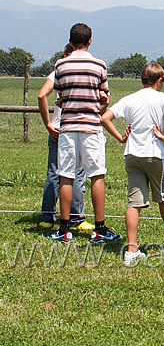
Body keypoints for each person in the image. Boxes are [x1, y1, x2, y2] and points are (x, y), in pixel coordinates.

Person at [101, 63, 164, 265]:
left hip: (132, 155)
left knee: (134, 202)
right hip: (155, 155)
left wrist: (121, 137)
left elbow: (105, 118)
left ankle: (131, 249)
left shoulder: (129, 99)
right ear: (159, 80)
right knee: (163, 196)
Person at [49, 23, 121, 243]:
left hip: (68, 127)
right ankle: (99, 228)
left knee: (66, 175)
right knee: (96, 174)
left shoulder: (60, 65)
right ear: (90, 40)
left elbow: (60, 98)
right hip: (91, 127)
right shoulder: (99, 65)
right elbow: (103, 99)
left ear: (70, 41)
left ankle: (64, 228)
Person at [37, 43, 92, 231]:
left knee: (54, 172)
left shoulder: (57, 72)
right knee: (76, 174)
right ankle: (77, 218)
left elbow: (42, 95)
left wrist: (48, 123)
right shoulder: (78, 70)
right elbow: (41, 95)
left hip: (58, 129)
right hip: (75, 128)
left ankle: (47, 217)